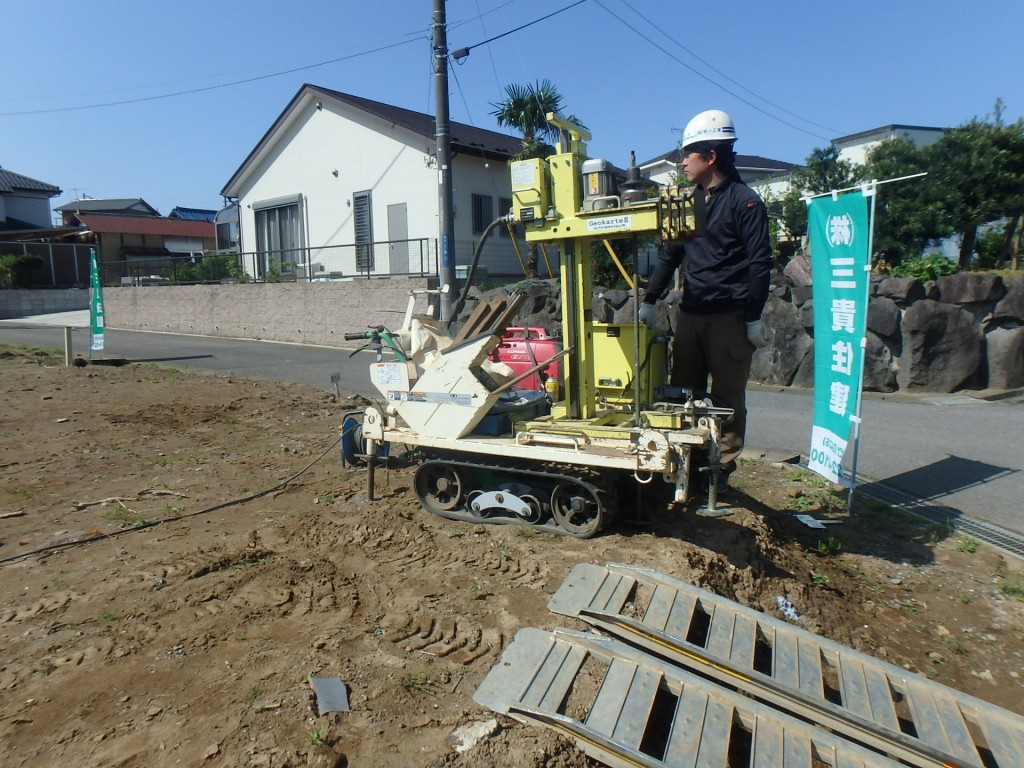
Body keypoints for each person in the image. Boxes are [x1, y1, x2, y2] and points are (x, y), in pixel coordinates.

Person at [639, 109, 773, 497]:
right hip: (692, 315)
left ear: (711, 156)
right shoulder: (688, 203)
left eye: (688, 153)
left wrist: (753, 317)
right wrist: (651, 299)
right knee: (683, 391)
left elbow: (760, 263)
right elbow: (670, 256)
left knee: (727, 398)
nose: (682, 162)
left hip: (730, 317)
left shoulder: (745, 203)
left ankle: (720, 471)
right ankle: (687, 466)